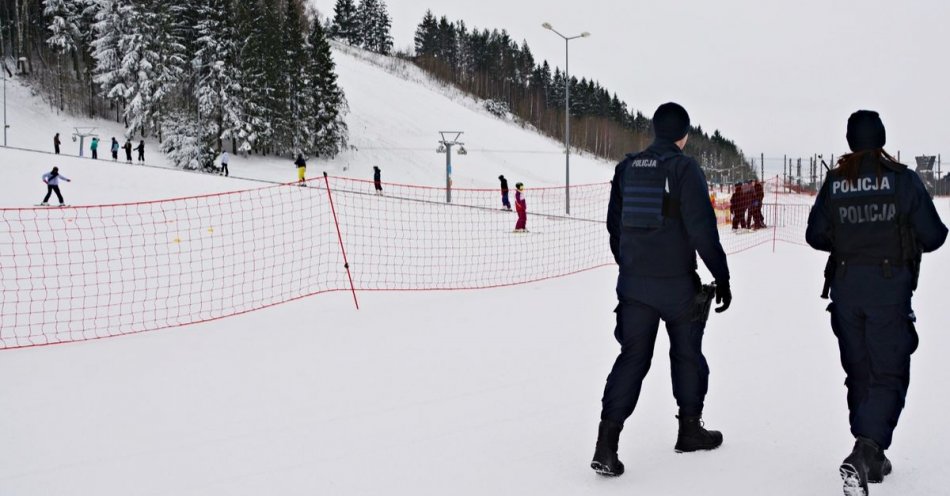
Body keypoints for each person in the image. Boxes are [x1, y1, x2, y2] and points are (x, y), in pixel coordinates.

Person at [806, 110, 947, 496]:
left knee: (860, 371)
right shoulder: (903, 180)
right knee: (888, 372)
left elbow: (815, 234)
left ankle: (872, 452)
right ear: (881, 139)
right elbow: (934, 236)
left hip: (847, 289)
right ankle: (866, 448)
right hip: (889, 292)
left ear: (851, 141)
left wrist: (850, 238)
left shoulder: (836, 181)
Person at [592, 102, 731, 477]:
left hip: (634, 285)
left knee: (632, 357)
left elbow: (614, 227)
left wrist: (631, 267)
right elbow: (703, 230)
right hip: (677, 286)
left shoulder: (626, 168)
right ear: (684, 135)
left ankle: (606, 444)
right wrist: (723, 277)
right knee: (687, 355)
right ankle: (689, 429)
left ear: (655, 130)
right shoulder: (684, 168)